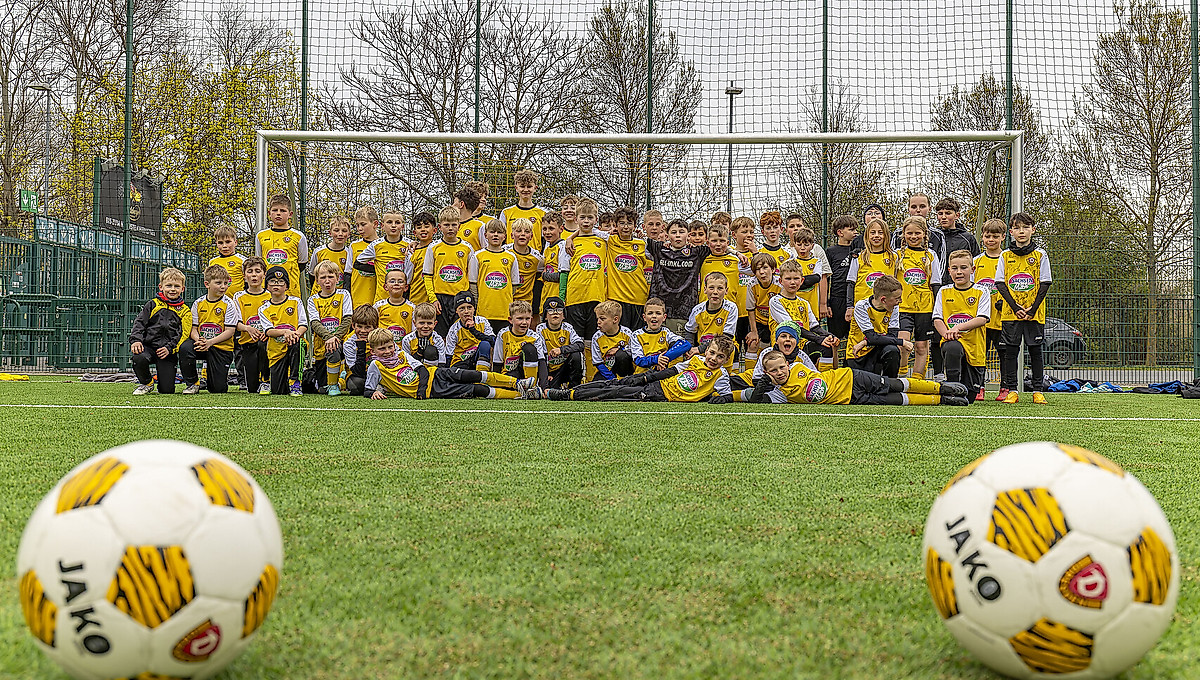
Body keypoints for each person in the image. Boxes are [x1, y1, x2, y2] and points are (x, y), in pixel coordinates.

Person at [734, 349, 969, 406]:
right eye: (773, 371)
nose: (780, 372)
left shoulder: (798, 365)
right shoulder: (778, 395)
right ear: (767, 373)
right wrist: (758, 389)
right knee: (897, 400)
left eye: (781, 367)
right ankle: (942, 401)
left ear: (787, 363)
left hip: (851, 378)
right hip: (851, 400)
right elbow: (752, 399)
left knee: (895, 383)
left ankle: (941, 388)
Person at [546, 335, 735, 404]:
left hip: (660, 396)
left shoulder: (721, 375)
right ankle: (568, 392)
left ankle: (566, 396)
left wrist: (715, 399)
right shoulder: (697, 359)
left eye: (720, 357)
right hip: (657, 384)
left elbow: (725, 395)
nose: (713, 359)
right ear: (707, 350)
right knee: (613, 383)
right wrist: (646, 377)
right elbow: (672, 371)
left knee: (614, 393)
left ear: (726, 360)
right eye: (712, 353)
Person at [364, 328, 539, 401]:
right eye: (382, 349)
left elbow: (421, 370)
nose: (387, 351)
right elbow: (367, 389)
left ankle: (516, 383)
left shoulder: (401, 354)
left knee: (473, 375)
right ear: (373, 351)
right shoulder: (376, 366)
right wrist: (375, 393)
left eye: (389, 347)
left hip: (435, 374)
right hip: (435, 391)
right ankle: (519, 395)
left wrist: (420, 392)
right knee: (476, 390)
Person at [994, 212, 1052, 405]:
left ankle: (1037, 390)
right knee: (1010, 351)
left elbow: (1045, 283)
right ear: (1011, 232)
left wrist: (1032, 309)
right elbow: (1000, 283)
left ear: (1033, 230)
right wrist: (1015, 307)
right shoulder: (1005, 255)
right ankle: (1012, 390)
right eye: (1017, 228)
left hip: (1034, 313)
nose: (1021, 231)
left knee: (1035, 350)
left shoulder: (1040, 254)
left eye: (1025, 227)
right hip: (1011, 313)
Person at [934, 250, 991, 402]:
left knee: (970, 397)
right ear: (949, 271)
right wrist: (946, 333)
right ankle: (952, 387)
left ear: (972, 270)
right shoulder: (943, 291)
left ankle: (965, 387)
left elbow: (982, 319)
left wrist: (957, 328)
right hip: (953, 342)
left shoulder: (982, 291)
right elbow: (937, 319)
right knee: (952, 346)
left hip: (974, 349)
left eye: (964, 268)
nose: (959, 272)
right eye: (954, 268)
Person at [129, 268, 192, 395]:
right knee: (139, 357)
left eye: (176, 286)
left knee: (167, 390)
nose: (172, 289)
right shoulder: (152, 305)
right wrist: (136, 340)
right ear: (161, 287)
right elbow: (139, 323)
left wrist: (169, 348)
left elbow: (183, 334)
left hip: (168, 352)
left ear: (182, 289)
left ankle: (163, 381)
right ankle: (147, 383)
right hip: (149, 347)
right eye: (169, 285)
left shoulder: (185, 311)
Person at [896, 216, 942, 379]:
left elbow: (936, 283)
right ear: (904, 234)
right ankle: (901, 376)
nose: (913, 236)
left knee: (921, 346)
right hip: (902, 307)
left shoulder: (930, 255)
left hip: (925, 308)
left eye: (917, 233)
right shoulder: (898, 255)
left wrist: (937, 309)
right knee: (903, 344)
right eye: (909, 233)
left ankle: (917, 379)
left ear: (924, 234)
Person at [768, 260, 838, 369]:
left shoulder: (804, 303)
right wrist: (819, 339)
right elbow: (793, 328)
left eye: (796, 278)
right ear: (780, 281)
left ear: (802, 281)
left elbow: (814, 326)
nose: (792, 282)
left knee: (827, 347)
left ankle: (824, 380)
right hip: (784, 350)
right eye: (788, 279)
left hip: (802, 348)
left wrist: (829, 336)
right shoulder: (775, 301)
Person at [179, 266, 237, 395]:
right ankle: (192, 384)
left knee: (217, 389)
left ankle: (217, 377)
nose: (223, 286)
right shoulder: (198, 303)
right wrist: (199, 340)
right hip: (202, 343)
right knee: (185, 347)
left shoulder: (229, 304)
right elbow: (193, 329)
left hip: (221, 347)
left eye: (225, 283)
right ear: (207, 284)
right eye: (218, 283)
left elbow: (230, 331)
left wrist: (210, 342)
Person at [646, 218, 710, 333]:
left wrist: (737, 254)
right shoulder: (659, 249)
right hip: (659, 309)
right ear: (667, 234)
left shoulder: (696, 252)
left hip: (685, 310)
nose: (678, 236)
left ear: (688, 235)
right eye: (674, 232)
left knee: (681, 347)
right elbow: (635, 240)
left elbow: (720, 245)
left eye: (681, 232)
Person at [557, 197, 607, 340]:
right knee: (575, 340)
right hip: (575, 298)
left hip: (597, 298)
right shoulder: (567, 245)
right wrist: (562, 299)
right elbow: (564, 272)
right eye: (582, 217)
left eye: (590, 217)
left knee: (593, 340)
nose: (586, 221)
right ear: (576, 219)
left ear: (596, 220)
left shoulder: (603, 241)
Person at [256, 266, 308, 396]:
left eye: (280, 282)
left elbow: (303, 325)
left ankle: (296, 382)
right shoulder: (263, 308)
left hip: (293, 343)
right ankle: (267, 380)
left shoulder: (296, 302)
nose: (276, 285)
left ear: (287, 286)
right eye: (272, 281)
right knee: (278, 390)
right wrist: (285, 332)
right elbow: (268, 331)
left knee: (299, 344)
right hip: (276, 349)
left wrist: (295, 334)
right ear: (267, 286)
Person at [845, 274, 910, 379]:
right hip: (858, 355)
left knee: (892, 350)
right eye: (897, 298)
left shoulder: (894, 308)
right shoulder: (861, 306)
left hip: (877, 350)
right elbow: (872, 337)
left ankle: (891, 385)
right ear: (883, 300)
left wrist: (865, 342)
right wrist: (902, 342)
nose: (900, 301)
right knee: (863, 389)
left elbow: (892, 336)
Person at [422, 205, 474, 335]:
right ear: (439, 227)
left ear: (459, 226)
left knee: (460, 335)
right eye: (446, 225)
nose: (450, 228)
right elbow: (427, 275)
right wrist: (433, 299)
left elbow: (472, 277)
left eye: (453, 225)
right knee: (441, 335)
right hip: (440, 298)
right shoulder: (433, 247)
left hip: (461, 298)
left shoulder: (467, 248)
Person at [306, 260, 354, 393]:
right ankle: (339, 379)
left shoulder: (344, 294)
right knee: (321, 389)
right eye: (323, 277)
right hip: (322, 345)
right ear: (317, 280)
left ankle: (335, 384)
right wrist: (328, 337)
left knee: (335, 348)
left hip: (341, 342)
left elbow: (347, 319)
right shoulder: (312, 300)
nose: (327, 281)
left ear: (337, 278)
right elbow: (314, 323)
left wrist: (335, 338)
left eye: (331, 277)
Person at [974, 218, 1007, 401]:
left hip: (1002, 318)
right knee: (980, 354)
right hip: (981, 318)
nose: (991, 240)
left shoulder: (1007, 259)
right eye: (987, 236)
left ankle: (1005, 387)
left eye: (995, 236)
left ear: (1003, 237)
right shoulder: (977, 261)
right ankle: (979, 387)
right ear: (983, 237)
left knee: (1004, 355)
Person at [468, 219, 520, 334]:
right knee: (486, 344)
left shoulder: (511, 257)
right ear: (486, 235)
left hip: (504, 313)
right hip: (484, 312)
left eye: (499, 232)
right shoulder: (478, 256)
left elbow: (514, 286)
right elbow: (473, 284)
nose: (495, 235)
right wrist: (478, 303)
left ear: (505, 236)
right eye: (492, 232)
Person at [604, 206, 651, 331]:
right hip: (617, 298)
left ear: (635, 226)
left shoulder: (642, 244)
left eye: (629, 223)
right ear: (615, 224)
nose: (625, 227)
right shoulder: (610, 240)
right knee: (619, 336)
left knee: (637, 336)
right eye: (622, 223)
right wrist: (570, 238)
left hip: (638, 298)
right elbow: (588, 229)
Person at [699, 223, 746, 348]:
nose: (718, 244)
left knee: (728, 345)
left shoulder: (736, 261)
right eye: (714, 241)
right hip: (705, 312)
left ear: (728, 242)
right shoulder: (702, 259)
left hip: (728, 311)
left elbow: (753, 271)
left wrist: (737, 253)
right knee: (707, 345)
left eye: (722, 241)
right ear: (708, 242)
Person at [254, 194, 309, 299]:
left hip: (291, 291)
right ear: (269, 213)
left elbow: (302, 263)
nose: (278, 213)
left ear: (290, 214)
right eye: (275, 210)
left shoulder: (298, 236)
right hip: (266, 290)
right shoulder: (261, 236)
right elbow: (259, 262)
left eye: (283, 211)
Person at [845, 218, 898, 317]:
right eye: (873, 232)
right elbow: (851, 283)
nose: (876, 235)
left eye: (880, 232)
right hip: (862, 309)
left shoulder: (894, 257)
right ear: (867, 236)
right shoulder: (859, 257)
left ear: (886, 235)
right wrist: (849, 306)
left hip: (886, 309)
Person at [233, 257, 271, 394]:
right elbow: (235, 323)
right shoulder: (239, 296)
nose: (254, 275)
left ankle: (267, 380)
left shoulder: (271, 295)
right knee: (252, 389)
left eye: (257, 271)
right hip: (248, 343)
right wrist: (247, 328)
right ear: (244, 276)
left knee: (264, 345)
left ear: (264, 275)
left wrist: (268, 332)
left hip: (268, 343)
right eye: (250, 271)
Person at [686, 272, 739, 371]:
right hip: (704, 354)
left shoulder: (731, 308)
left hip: (724, 352)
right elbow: (689, 331)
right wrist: (691, 348)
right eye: (711, 288)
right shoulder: (697, 310)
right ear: (705, 289)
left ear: (726, 290)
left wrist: (699, 349)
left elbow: (726, 337)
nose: (715, 292)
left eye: (720, 288)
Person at [351, 211, 408, 303]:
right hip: (382, 297)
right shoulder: (376, 245)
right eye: (389, 222)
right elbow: (357, 264)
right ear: (382, 226)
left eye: (397, 222)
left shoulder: (409, 244)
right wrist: (378, 270)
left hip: (404, 297)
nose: (393, 225)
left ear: (402, 226)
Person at [492, 300, 547, 383]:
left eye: (527, 319)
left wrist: (544, 387)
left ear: (531, 319)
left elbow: (541, 362)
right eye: (520, 318)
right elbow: (497, 361)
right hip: (509, 374)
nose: (524, 322)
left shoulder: (534, 337)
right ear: (510, 320)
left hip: (528, 375)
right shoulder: (503, 334)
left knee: (529, 349)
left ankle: (531, 387)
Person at [536, 296, 585, 389]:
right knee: (553, 390)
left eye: (559, 310)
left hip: (565, 369)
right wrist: (547, 375)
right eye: (550, 310)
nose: (555, 313)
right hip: (551, 372)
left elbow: (580, 345)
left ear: (564, 315)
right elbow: (541, 354)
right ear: (545, 316)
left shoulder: (568, 327)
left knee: (576, 355)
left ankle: (574, 387)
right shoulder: (540, 329)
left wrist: (561, 350)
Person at [632, 297, 690, 373]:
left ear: (664, 317)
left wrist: (663, 359)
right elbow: (639, 360)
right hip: (643, 374)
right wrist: (656, 359)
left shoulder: (666, 332)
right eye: (650, 313)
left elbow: (685, 344)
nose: (654, 316)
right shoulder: (636, 335)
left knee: (680, 351)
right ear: (644, 317)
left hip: (662, 373)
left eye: (658, 313)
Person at [825, 215, 860, 341]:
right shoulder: (831, 251)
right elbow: (826, 279)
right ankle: (834, 361)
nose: (855, 232)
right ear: (840, 232)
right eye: (851, 230)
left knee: (855, 336)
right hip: (836, 300)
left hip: (855, 298)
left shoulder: (859, 250)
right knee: (835, 337)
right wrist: (826, 303)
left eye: (856, 229)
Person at [333, 304, 379, 396]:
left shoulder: (380, 337)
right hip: (359, 374)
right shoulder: (349, 343)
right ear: (353, 325)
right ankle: (343, 379)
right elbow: (358, 371)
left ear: (375, 327)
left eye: (367, 327)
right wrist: (361, 347)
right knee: (357, 385)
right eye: (360, 326)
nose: (363, 331)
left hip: (378, 374)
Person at [507, 218, 545, 326]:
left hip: (526, 304)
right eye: (518, 231)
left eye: (527, 232)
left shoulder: (537, 258)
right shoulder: (505, 253)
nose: (522, 234)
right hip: (508, 302)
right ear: (511, 235)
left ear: (531, 236)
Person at [444, 291, 495, 371]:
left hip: (478, 357)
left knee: (485, 344)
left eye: (469, 307)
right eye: (462, 309)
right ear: (456, 311)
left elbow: (492, 341)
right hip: (461, 361)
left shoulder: (483, 321)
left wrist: (473, 330)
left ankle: (483, 375)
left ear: (474, 308)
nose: (466, 311)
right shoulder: (454, 330)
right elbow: (448, 355)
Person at [787, 226, 830, 321]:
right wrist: (806, 281)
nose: (802, 248)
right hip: (794, 305)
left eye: (806, 245)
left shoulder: (816, 261)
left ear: (812, 245)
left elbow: (816, 278)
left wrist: (797, 281)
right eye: (799, 244)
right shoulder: (790, 262)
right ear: (794, 245)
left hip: (812, 305)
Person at [588, 300, 638, 381]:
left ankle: (625, 380)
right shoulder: (596, 337)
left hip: (625, 370)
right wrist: (611, 378)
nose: (598, 322)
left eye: (602, 319)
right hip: (606, 371)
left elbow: (634, 352)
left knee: (622, 355)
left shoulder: (627, 333)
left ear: (615, 320)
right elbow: (598, 362)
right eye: (597, 319)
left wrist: (620, 350)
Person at [745, 253, 780, 363]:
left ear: (773, 269)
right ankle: (750, 374)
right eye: (758, 269)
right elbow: (750, 310)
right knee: (753, 343)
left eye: (765, 268)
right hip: (759, 321)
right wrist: (754, 331)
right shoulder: (751, 284)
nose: (762, 272)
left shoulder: (780, 284)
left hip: (775, 322)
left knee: (777, 347)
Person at [500, 169, 546, 248]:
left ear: (535, 188)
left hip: (534, 258)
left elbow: (545, 240)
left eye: (529, 186)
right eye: (522, 186)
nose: (525, 190)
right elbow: (501, 238)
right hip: (511, 257)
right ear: (516, 188)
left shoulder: (542, 213)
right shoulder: (506, 213)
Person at [307, 216, 351, 295]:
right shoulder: (319, 252)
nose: (340, 234)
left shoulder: (349, 253)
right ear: (330, 233)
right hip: (319, 295)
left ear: (348, 234)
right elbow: (312, 275)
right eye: (336, 230)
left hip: (339, 296)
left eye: (344, 231)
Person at [349, 206, 381, 309]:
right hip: (358, 299)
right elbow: (348, 273)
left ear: (375, 224)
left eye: (363, 224)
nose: (359, 229)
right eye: (357, 225)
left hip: (379, 298)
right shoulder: (354, 246)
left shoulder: (383, 245)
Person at [404, 211, 437, 308]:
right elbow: (408, 278)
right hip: (416, 299)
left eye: (426, 226)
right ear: (414, 232)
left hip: (436, 301)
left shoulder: (438, 248)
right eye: (419, 227)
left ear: (434, 230)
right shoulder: (411, 252)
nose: (423, 230)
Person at [399, 302, 447, 368]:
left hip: (433, 369)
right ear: (414, 323)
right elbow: (406, 360)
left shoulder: (438, 339)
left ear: (435, 324)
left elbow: (442, 362)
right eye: (421, 323)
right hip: (414, 369)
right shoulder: (407, 340)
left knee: (430, 351)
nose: (425, 326)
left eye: (429, 323)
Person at [373, 270, 416, 342]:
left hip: (404, 349)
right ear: (385, 287)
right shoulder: (378, 306)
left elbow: (414, 331)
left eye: (400, 281)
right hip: (383, 347)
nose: (396, 283)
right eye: (392, 281)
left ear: (406, 287)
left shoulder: (412, 308)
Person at [209, 226, 245, 296]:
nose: (224, 246)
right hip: (218, 302)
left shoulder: (243, 261)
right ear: (216, 244)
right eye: (220, 243)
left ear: (235, 242)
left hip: (238, 303)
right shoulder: (212, 262)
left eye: (228, 242)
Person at [455, 186, 486, 251]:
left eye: (454, 204)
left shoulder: (480, 226)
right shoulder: (451, 226)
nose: (452, 206)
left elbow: (487, 251)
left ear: (461, 204)